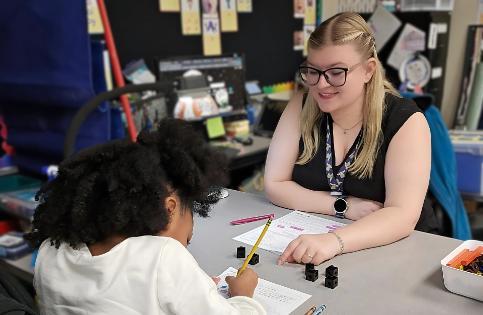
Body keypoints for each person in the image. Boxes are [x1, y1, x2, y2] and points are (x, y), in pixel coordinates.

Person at [27, 119, 266, 315]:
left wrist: (192, 290)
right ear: (169, 208)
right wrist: (243, 297)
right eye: (187, 239)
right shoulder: (163, 258)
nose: (185, 247)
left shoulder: (50, 252)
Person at [264, 12, 436, 266]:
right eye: (312, 71)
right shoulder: (302, 105)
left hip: (400, 253)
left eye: (336, 72)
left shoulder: (406, 121)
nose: (321, 85)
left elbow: (402, 215)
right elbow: (275, 183)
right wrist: (342, 206)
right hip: (327, 242)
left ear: (368, 70)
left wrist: (334, 241)